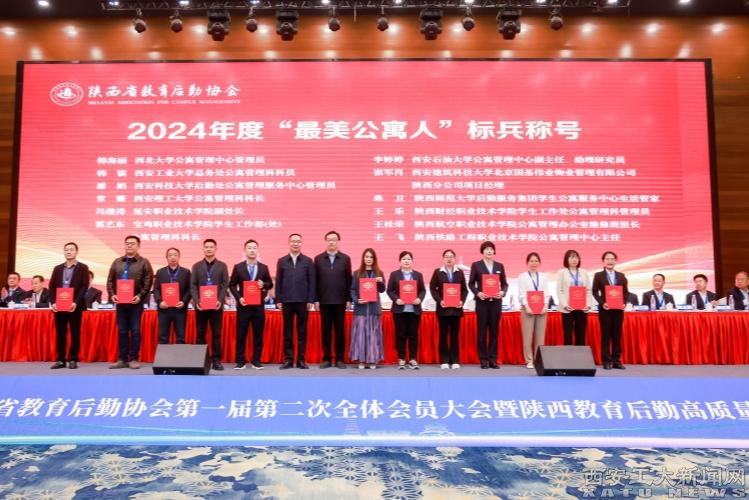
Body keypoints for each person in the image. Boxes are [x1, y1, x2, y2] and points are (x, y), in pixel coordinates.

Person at [107, 235, 154, 369]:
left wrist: (140, 296)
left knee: (135, 331)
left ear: (138, 246)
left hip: (135, 303)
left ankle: (134, 358)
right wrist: (112, 295)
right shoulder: (117, 262)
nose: (129, 245)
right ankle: (122, 359)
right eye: (127, 243)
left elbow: (148, 282)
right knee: (122, 331)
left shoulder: (144, 262)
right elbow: (110, 281)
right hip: (120, 303)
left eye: (132, 243)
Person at [229, 239, 273, 370]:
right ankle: (240, 361)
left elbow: (270, 284)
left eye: (254, 248)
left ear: (258, 250)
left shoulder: (264, 267)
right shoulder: (238, 267)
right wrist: (239, 298)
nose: (252, 250)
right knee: (241, 334)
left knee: (258, 335)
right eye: (249, 248)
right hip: (243, 306)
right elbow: (232, 285)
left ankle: (256, 360)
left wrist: (263, 284)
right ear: (245, 251)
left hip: (258, 307)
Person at [275, 233, 316, 370]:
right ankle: (288, 360)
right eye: (293, 241)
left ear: (301, 243)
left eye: (298, 241)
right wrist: (278, 299)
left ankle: (301, 360)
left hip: (303, 301)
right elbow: (279, 281)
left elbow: (312, 282)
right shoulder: (282, 261)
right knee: (288, 332)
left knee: (302, 332)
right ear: (289, 243)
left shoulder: (308, 261)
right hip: (286, 301)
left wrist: (310, 299)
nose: (295, 243)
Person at [48, 242, 90, 370]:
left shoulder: (83, 267)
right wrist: (53, 302)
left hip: (75, 306)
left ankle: (73, 359)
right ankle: (60, 359)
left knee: (75, 333)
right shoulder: (58, 268)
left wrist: (75, 302)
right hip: (59, 305)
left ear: (76, 252)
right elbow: (51, 286)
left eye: (71, 250)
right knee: (60, 333)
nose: (69, 252)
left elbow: (84, 286)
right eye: (66, 250)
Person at [314, 230, 352, 369]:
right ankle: (327, 358)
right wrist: (315, 299)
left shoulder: (345, 259)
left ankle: (340, 359)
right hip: (324, 300)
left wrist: (349, 299)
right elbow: (315, 280)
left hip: (340, 301)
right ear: (326, 241)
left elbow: (348, 280)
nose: (331, 242)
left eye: (334, 239)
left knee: (340, 331)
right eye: (329, 239)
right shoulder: (318, 259)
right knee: (326, 331)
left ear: (338, 241)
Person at [190, 239, 230, 371]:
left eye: (211, 247)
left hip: (216, 306)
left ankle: (216, 360)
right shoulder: (196, 266)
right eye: (206, 247)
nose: (208, 249)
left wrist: (220, 300)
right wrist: (197, 301)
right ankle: (200, 360)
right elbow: (193, 285)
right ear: (203, 249)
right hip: (201, 306)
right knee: (200, 333)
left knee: (216, 334)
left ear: (215, 249)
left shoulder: (222, 266)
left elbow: (225, 284)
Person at [468, 241, 508, 369]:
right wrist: (478, 293)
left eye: (491, 249)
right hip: (482, 303)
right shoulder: (476, 265)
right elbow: (471, 283)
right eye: (486, 249)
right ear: (482, 251)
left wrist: (502, 292)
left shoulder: (499, 266)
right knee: (481, 332)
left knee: (494, 332)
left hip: (496, 303)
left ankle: (493, 359)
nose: (489, 251)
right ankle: (483, 360)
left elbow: (505, 284)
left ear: (494, 251)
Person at [387, 251, 427, 370]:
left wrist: (419, 299)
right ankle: (401, 359)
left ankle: (413, 359)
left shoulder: (418, 275)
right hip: (400, 310)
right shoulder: (394, 274)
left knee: (413, 335)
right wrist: (396, 299)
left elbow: (422, 290)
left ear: (412, 261)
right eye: (404, 259)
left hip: (414, 310)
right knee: (400, 335)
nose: (406, 261)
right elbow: (390, 290)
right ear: (400, 261)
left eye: (409, 259)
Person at [429, 249, 468, 370]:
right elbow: (432, 288)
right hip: (443, 309)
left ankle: (455, 360)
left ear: (454, 259)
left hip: (456, 310)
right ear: (443, 259)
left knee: (455, 336)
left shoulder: (459, 272)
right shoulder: (438, 272)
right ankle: (444, 360)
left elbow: (464, 290)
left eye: (451, 256)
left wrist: (461, 301)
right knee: (443, 336)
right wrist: (439, 300)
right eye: (446, 256)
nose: (449, 259)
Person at [592, 251, 629, 370]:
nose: (610, 261)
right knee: (606, 335)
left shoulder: (621, 276)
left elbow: (626, 292)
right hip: (605, 310)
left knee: (617, 336)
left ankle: (616, 361)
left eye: (612, 259)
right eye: (607, 259)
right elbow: (594, 291)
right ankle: (606, 361)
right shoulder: (599, 275)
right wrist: (602, 303)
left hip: (618, 310)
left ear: (615, 261)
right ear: (604, 261)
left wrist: (624, 303)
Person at [349, 248, 386, 369]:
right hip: (361, 310)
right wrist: (356, 300)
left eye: (371, 257)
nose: (369, 259)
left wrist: (380, 282)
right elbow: (352, 290)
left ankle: (372, 360)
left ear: (374, 259)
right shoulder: (357, 273)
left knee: (373, 336)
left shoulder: (379, 273)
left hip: (374, 309)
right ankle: (361, 360)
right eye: (366, 257)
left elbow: (382, 290)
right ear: (363, 258)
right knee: (360, 336)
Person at [152, 247, 191, 344]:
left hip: (180, 309)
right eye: (170, 255)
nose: (173, 257)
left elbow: (189, 289)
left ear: (179, 257)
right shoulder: (160, 272)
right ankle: (164, 354)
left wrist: (184, 301)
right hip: (164, 309)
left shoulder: (186, 272)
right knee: (163, 338)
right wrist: (160, 301)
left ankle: (179, 354)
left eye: (175, 255)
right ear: (166, 257)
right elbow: (156, 289)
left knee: (180, 338)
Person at [517, 252, 549, 369]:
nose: (534, 263)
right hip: (527, 310)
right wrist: (526, 306)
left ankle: (538, 360)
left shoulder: (544, 276)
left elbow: (546, 293)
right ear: (527, 263)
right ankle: (529, 360)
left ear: (539, 263)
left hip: (542, 310)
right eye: (531, 261)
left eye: (536, 261)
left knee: (540, 337)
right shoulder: (522, 276)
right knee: (527, 336)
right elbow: (521, 293)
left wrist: (545, 305)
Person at [556, 249, 592, 346]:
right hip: (567, 308)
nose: (574, 259)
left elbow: (588, 290)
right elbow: (559, 290)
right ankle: (568, 355)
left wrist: (588, 305)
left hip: (582, 308)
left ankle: (580, 355)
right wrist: (565, 305)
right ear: (566, 259)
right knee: (568, 335)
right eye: (571, 257)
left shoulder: (584, 272)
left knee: (581, 335)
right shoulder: (561, 272)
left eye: (576, 257)